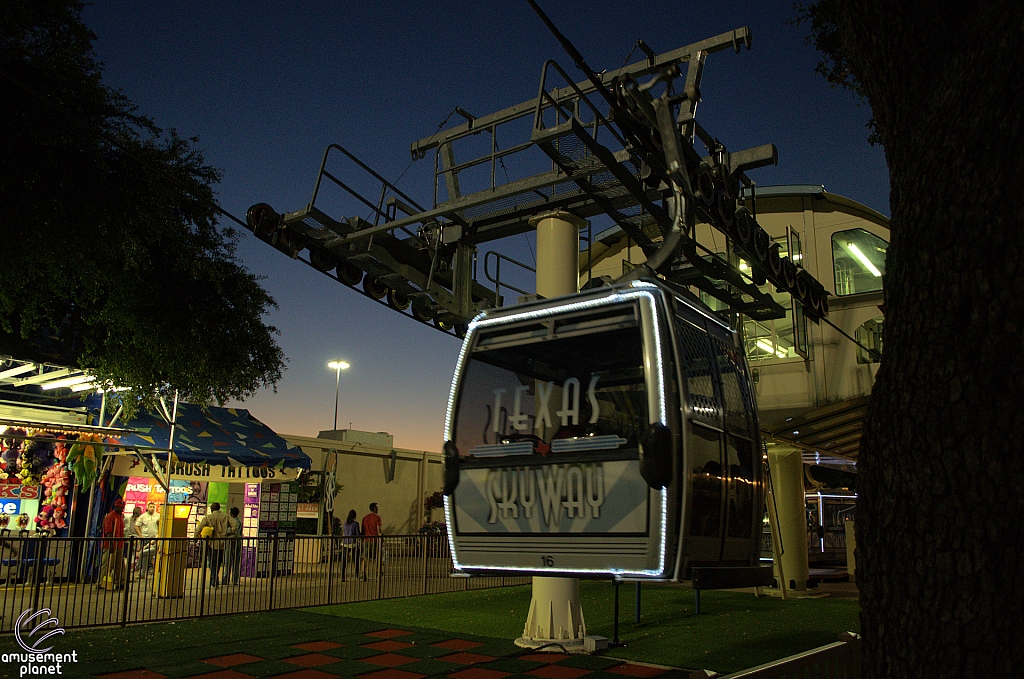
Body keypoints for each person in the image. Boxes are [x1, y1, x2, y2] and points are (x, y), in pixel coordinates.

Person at [193, 502, 230, 587]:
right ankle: (215, 577)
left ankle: (214, 579)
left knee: (212, 561)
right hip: (222, 543)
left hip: (211, 543)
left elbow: (199, 528)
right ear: (219, 508)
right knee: (219, 561)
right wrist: (228, 533)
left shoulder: (208, 517)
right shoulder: (226, 516)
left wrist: (196, 537)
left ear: (212, 509)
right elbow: (234, 525)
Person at [98, 499, 126, 590]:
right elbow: (108, 532)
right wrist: (111, 545)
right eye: (120, 508)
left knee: (120, 564)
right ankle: (102, 582)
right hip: (110, 544)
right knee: (107, 564)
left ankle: (120, 581)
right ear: (116, 506)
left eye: (123, 508)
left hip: (119, 544)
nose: (122, 509)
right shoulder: (110, 516)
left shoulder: (120, 517)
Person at [134, 502, 160, 579]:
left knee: (147, 555)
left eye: (153, 507)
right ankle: (142, 572)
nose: (152, 508)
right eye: (151, 507)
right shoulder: (143, 516)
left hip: (155, 539)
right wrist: (140, 535)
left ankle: (140, 568)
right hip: (145, 538)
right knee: (144, 557)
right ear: (147, 508)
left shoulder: (158, 516)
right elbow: (136, 526)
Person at [361, 502, 382, 578]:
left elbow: (362, 530)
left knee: (365, 557)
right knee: (376, 557)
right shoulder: (377, 518)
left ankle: (363, 572)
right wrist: (382, 540)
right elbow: (378, 530)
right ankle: (378, 571)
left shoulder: (365, 518)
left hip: (366, 539)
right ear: (374, 509)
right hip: (374, 539)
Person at [340, 509, 360, 581]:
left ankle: (342, 575)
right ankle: (357, 574)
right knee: (355, 559)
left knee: (344, 560)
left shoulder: (345, 523)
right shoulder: (355, 524)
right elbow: (357, 534)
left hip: (345, 542)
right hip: (353, 543)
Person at [224, 507, 242, 585]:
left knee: (228, 560)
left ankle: (226, 579)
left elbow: (229, 531)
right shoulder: (239, 521)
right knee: (236, 561)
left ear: (231, 513)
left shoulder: (232, 522)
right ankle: (235, 580)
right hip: (238, 541)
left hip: (232, 541)